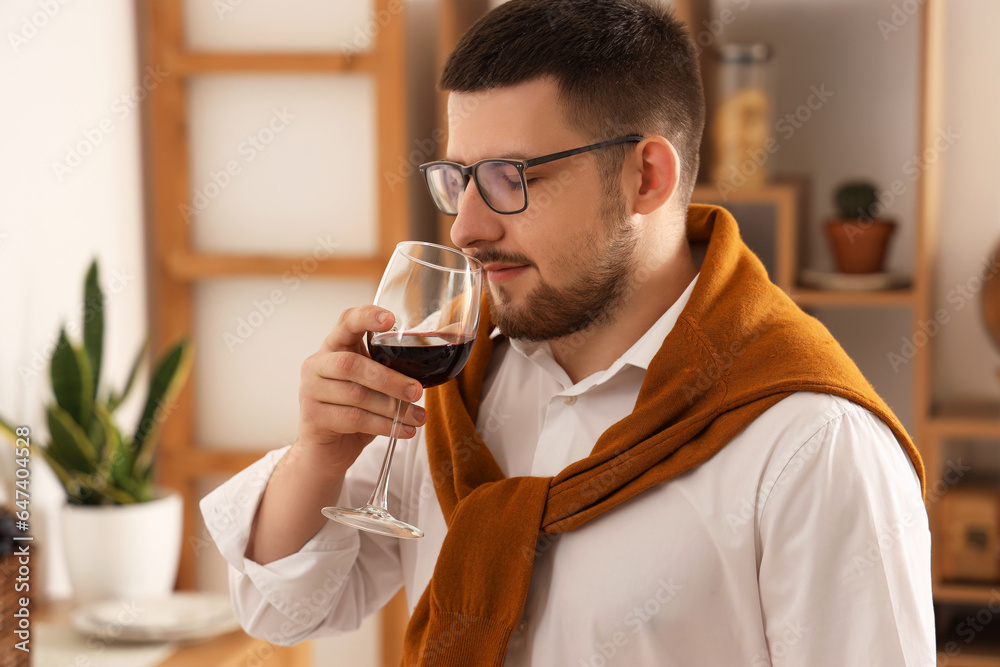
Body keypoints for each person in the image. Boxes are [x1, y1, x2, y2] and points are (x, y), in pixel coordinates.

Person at [201, 1, 934, 665]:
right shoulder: (459, 383)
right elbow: (285, 607)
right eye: (459, 179)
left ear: (646, 177)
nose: (467, 226)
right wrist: (318, 458)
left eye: (512, 177)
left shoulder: (814, 445)